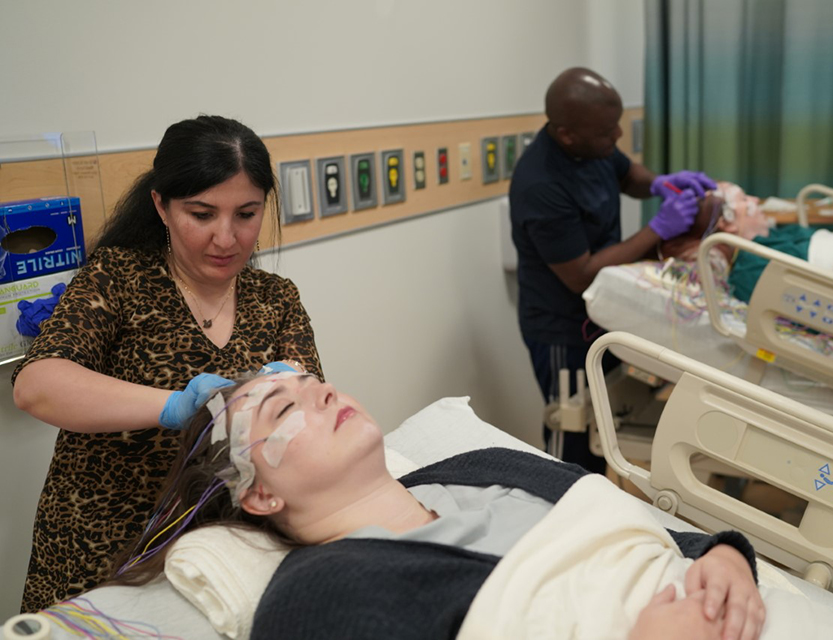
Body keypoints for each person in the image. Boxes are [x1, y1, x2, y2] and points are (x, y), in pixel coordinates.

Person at [113, 370, 766, 640]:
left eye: (315, 384)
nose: (322, 393)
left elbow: (647, 535)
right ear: (259, 492)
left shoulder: (477, 467)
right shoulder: (317, 597)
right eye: (286, 408)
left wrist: (728, 559)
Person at [11, 115, 323, 612]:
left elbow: (310, 420)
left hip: (218, 556)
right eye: (202, 214)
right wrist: (175, 405)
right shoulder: (118, 279)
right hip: (101, 552)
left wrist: (297, 399)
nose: (226, 238)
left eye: (246, 213)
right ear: (161, 204)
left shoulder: (276, 299)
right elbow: (37, 385)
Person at [509, 67, 717, 471]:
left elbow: (627, 173)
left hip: (603, 313)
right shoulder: (542, 185)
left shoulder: (592, 143)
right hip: (561, 328)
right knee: (570, 436)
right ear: (567, 133)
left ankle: (597, 510)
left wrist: (661, 184)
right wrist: (657, 229)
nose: (617, 137)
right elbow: (581, 274)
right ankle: (561, 516)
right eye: (608, 133)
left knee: (602, 430)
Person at [657, 181, 833, 303]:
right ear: (727, 223)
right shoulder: (756, 269)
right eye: (745, 198)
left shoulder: (771, 240)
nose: (756, 199)